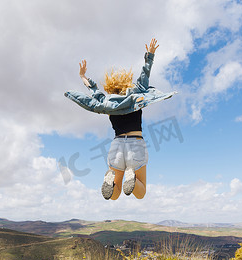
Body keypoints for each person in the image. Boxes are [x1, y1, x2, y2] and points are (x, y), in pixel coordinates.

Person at [64, 39, 175, 200]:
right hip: (135, 144)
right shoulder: (135, 96)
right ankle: (132, 177)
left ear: (110, 87)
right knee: (141, 192)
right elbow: (144, 77)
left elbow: (94, 91)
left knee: (114, 195)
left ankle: (110, 180)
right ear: (126, 83)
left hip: (116, 146)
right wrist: (150, 55)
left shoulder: (106, 102)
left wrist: (82, 76)